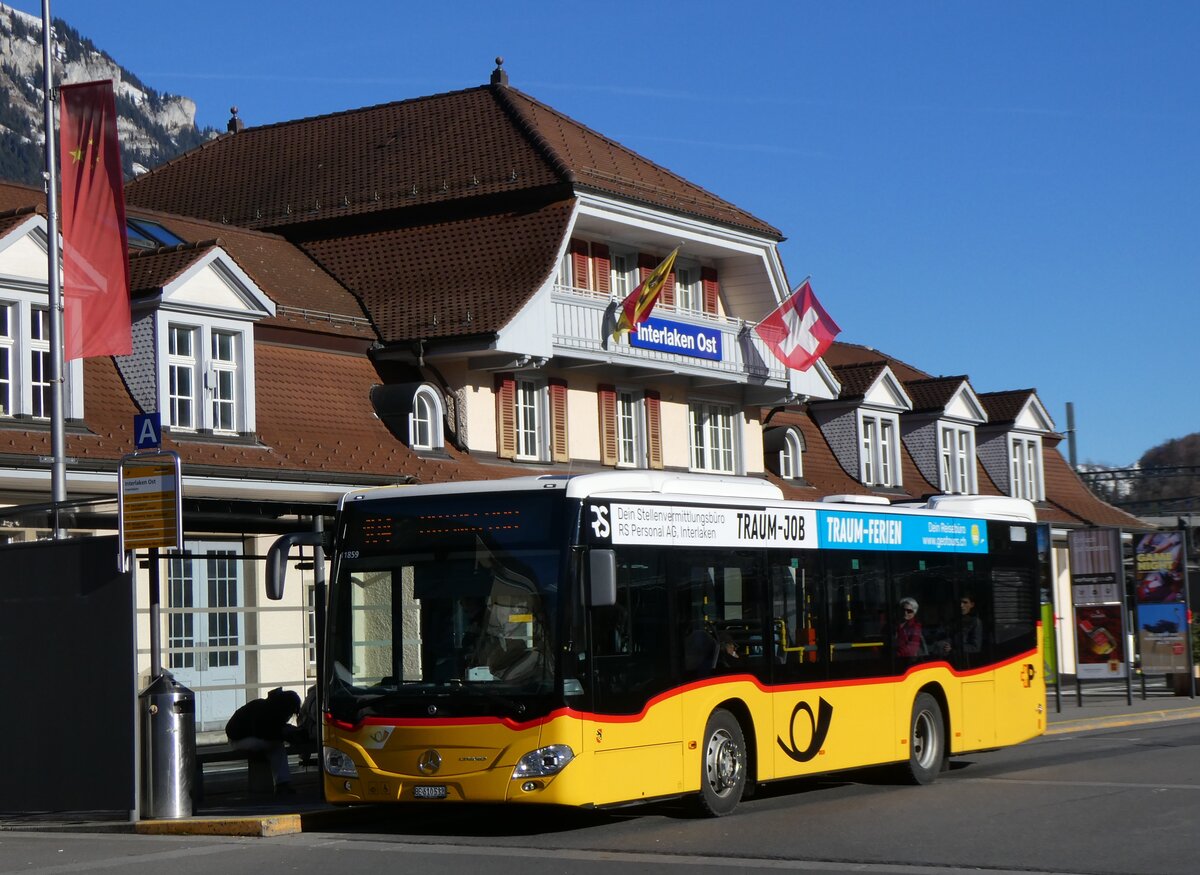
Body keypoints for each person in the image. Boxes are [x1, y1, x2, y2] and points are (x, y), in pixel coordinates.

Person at [225, 687, 303, 795]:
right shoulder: (264, 710)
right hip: (237, 739)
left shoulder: (268, 708)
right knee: (276, 746)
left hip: (241, 738)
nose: (290, 716)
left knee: (276, 746)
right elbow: (264, 733)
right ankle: (282, 783)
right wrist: (286, 735)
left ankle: (282, 783)